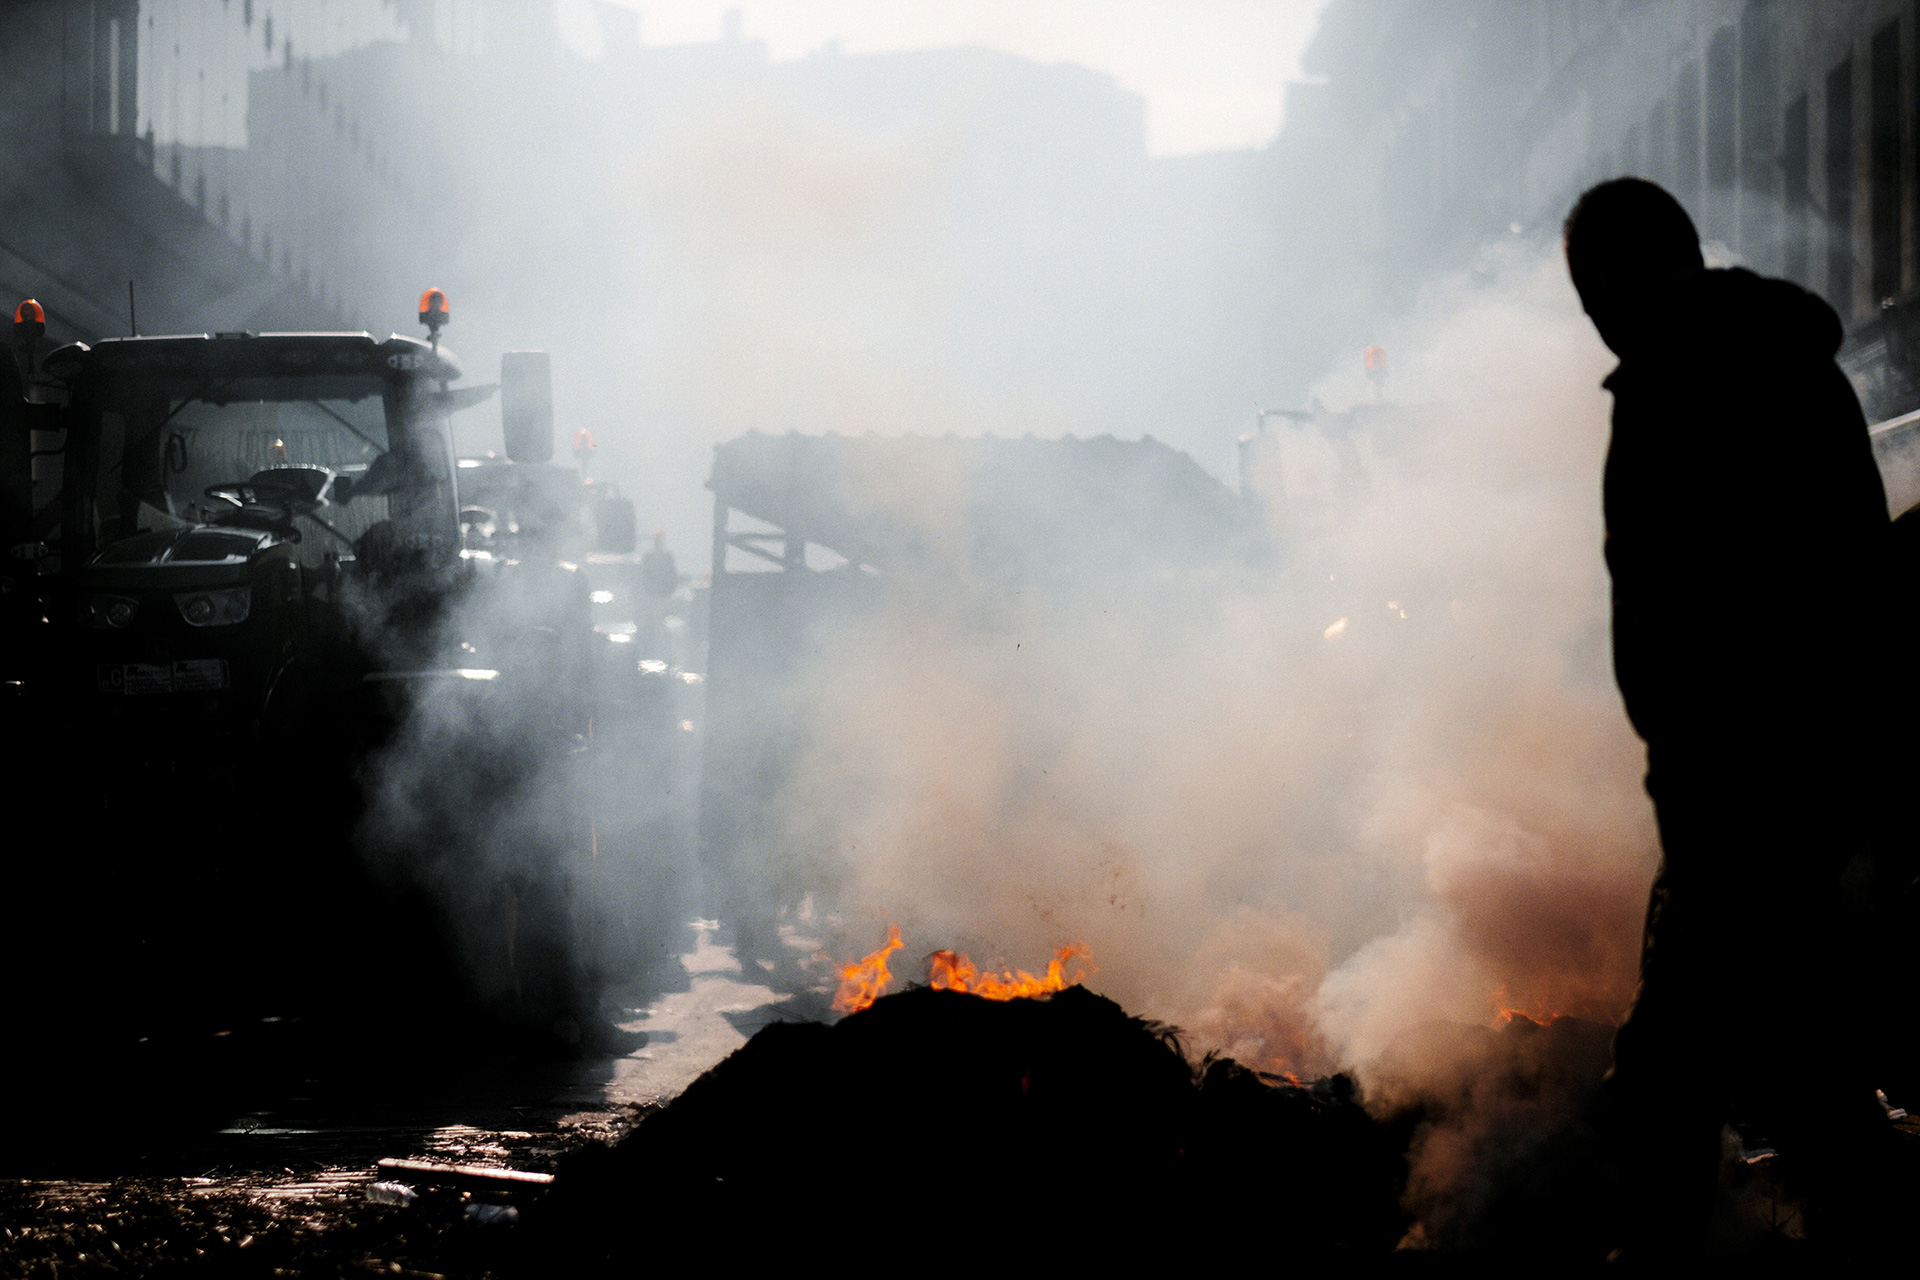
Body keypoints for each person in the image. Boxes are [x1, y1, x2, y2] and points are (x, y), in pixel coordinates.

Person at [1563, 177, 1903, 1260]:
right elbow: (1856, 580)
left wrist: (1703, 778)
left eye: (1588, 294)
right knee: (1803, 1067)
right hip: (1808, 781)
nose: (1594, 319)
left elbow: (1685, 618)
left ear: (1612, 277)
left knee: (1675, 1071)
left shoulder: (1679, 382)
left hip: (1740, 790)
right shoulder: (1798, 365)